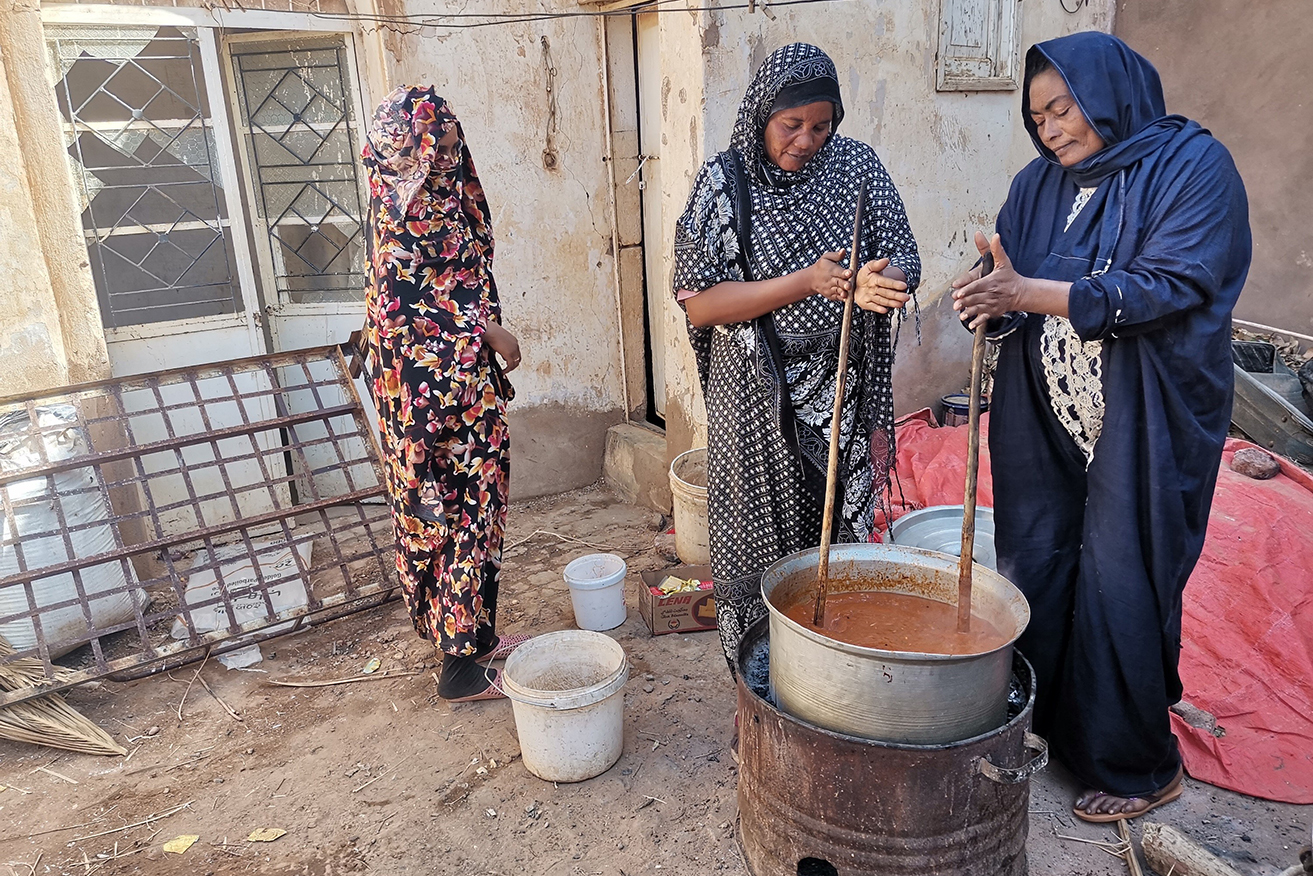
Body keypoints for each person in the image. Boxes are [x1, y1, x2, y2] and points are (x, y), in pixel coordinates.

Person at [951, 33, 1251, 821]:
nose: (1050, 129)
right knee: (1038, 557)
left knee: (1123, 576)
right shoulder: (1037, 183)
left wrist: (1027, 294)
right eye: (1036, 116)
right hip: (1048, 403)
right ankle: (1051, 724)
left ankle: (1137, 766)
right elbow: (1013, 275)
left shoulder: (1191, 168)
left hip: (1145, 409)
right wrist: (986, 293)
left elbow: (1171, 283)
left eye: (1062, 108)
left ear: (1109, 92)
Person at [673, 43, 921, 672]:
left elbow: (905, 255)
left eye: (821, 125)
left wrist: (876, 280)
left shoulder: (857, 167)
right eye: (792, 125)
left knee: (836, 540)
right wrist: (806, 283)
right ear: (762, 115)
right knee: (756, 549)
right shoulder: (724, 183)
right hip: (753, 395)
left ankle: (833, 684)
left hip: (837, 384)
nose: (807, 139)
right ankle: (759, 694)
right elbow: (701, 302)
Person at [361, 86, 528, 702]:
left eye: (454, 142)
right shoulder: (404, 229)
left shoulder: (429, 210)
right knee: (462, 516)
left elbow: (452, 286)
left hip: (459, 398)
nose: (453, 156)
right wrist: (486, 332)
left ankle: (474, 640)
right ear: (410, 156)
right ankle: (460, 669)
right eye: (439, 148)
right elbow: (409, 316)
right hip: (438, 413)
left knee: (474, 514)